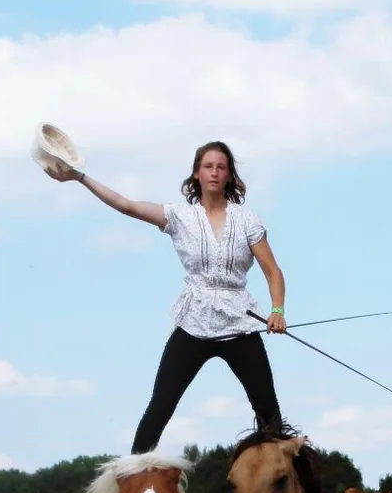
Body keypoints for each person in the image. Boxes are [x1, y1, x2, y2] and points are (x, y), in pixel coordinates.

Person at [60, 141, 288, 453]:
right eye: (208, 166)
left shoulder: (247, 219)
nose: (214, 172)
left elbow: (273, 271)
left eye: (221, 167)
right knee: (159, 407)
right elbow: (125, 204)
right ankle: (132, 481)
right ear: (196, 173)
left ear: (230, 176)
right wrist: (79, 177)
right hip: (193, 324)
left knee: (270, 416)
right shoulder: (179, 216)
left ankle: (288, 488)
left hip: (239, 324)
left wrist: (277, 310)